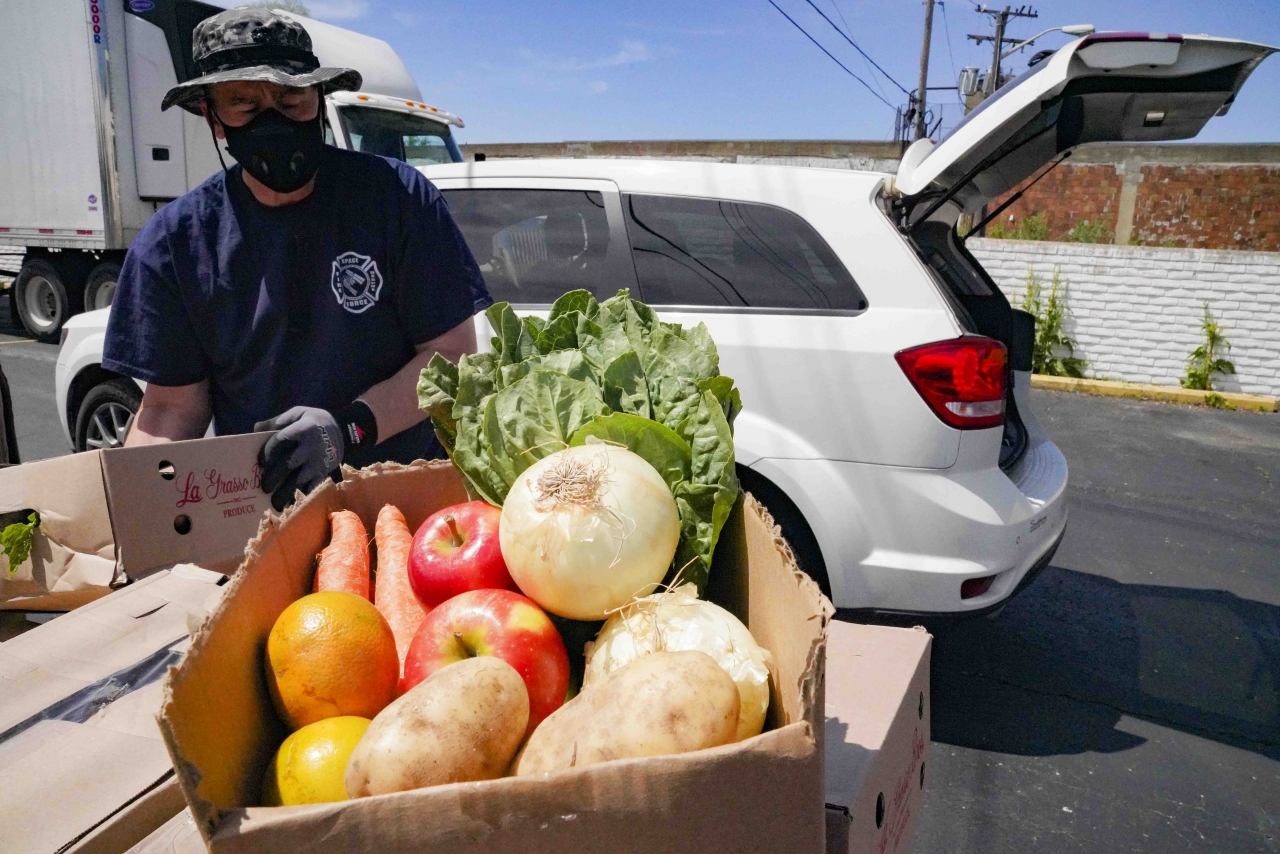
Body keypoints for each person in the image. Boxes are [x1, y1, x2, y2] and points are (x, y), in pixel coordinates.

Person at [102, 8, 489, 510]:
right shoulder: (175, 243)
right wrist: (140, 509)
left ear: (319, 100)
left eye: (292, 100)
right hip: (266, 519)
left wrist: (346, 429)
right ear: (212, 118)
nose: (274, 121)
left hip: (404, 501)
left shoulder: (395, 198)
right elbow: (172, 407)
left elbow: (451, 355)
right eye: (244, 106)